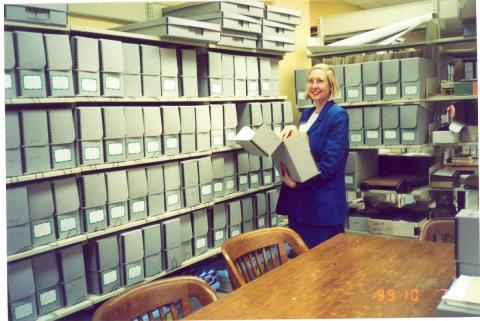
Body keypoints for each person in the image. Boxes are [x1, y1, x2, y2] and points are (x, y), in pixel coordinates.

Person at [276, 63, 349, 249]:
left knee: (326, 269)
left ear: (331, 86)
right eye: (310, 81)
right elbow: (301, 154)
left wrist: (296, 182)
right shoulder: (307, 114)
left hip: (322, 210)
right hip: (300, 206)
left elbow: (328, 166)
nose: (314, 86)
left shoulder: (338, 116)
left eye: (320, 81)